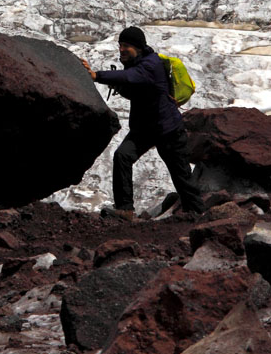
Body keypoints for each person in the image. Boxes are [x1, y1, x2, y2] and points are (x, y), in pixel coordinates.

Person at [80, 26, 205, 219]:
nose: (121, 49)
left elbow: (131, 78)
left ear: (138, 47)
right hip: (146, 129)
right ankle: (125, 209)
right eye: (120, 45)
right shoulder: (136, 64)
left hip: (167, 129)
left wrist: (97, 76)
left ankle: (198, 215)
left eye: (126, 46)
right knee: (122, 156)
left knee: (181, 177)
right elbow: (134, 88)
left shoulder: (150, 65)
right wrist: (119, 86)